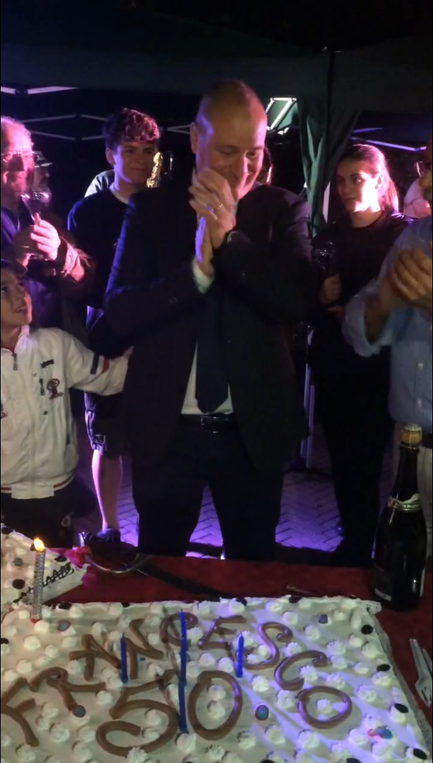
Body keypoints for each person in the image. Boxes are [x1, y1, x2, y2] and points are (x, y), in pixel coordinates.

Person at [105, 80, 314, 562]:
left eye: (253, 153)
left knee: (252, 570)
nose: (242, 168)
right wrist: (196, 274)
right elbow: (120, 309)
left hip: (251, 432)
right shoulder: (151, 210)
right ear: (196, 138)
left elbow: (296, 301)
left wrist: (230, 239)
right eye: (227, 151)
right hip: (167, 431)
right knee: (160, 566)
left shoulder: (284, 210)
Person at [310, 144, 412, 567]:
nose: (347, 188)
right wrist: (320, 298)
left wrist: (361, 310)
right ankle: (354, 544)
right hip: (337, 364)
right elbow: (303, 301)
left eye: (356, 179)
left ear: (379, 181)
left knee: (379, 462)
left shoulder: (401, 235)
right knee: (344, 459)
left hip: (382, 370)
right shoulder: (328, 237)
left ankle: (384, 548)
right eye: (340, 180)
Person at [68, 109, 160, 540]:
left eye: (148, 150)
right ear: (111, 155)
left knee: (156, 443)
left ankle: (154, 529)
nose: (141, 159)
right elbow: (82, 287)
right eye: (130, 150)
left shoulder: (169, 209)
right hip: (107, 340)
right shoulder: (87, 213)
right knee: (107, 441)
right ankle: (110, 528)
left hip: (158, 342)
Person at [0, 259, 130, 548]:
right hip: (5, 498)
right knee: (11, 574)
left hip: (57, 493)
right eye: (3, 289)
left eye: (20, 285)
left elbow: (107, 377)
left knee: (55, 569)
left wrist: (146, 353)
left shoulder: (55, 345)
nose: (20, 294)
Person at [344, 137, 432, 556]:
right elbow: (360, 329)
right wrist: (384, 303)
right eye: (425, 166)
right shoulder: (416, 237)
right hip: (409, 447)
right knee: (405, 568)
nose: (425, 183)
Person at [1, 117, 92, 330]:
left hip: (50, 344)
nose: (22, 164)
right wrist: (14, 259)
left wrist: (61, 255)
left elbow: (86, 285)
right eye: (9, 155)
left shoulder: (44, 216)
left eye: (27, 154)